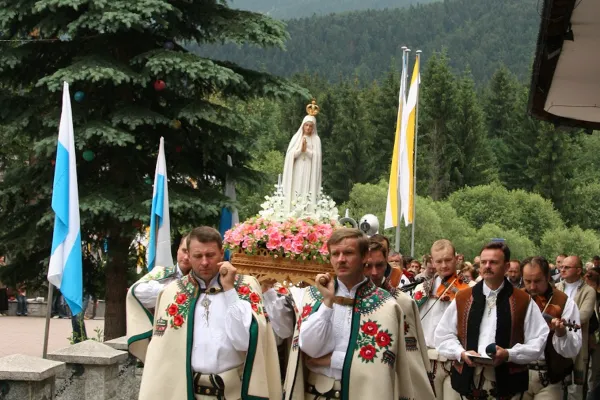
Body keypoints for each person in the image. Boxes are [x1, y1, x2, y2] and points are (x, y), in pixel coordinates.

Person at [138, 226, 281, 400]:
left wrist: (229, 290)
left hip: (234, 393)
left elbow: (245, 343)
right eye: (198, 256)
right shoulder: (173, 293)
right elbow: (162, 354)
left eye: (210, 255)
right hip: (188, 392)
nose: (204, 262)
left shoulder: (246, 286)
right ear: (188, 256)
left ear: (222, 253)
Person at [283, 228, 417, 399]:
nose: (341, 260)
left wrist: (334, 360)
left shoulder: (386, 304)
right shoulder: (312, 296)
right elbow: (309, 348)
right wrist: (327, 303)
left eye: (348, 253)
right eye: (335, 254)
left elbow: (381, 364)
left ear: (364, 257)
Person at [435, 242, 549, 399]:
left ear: (507, 266)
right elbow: (443, 335)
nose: (487, 266)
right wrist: (460, 352)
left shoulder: (523, 300)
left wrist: (509, 354)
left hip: (507, 383)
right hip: (468, 381)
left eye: (493, 262)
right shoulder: (463, 297)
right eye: (483, 262)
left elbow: (539, 341)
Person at [364, 240, 435, 398]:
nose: (374, 272)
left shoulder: (403, 302)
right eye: (368, 266)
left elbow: (413, 358)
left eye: (380, 265)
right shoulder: (346, 300)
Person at [413, 240, 470, 400]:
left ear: (456, 258)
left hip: (454, 360)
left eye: (448, 260)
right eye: (439, 261)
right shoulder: (422, 288)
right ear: (432, 261)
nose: (444, 265)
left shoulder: (470, 288)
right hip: (426, 359)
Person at [521, 257, 582, 400]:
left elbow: (572, 349)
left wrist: (561, 333)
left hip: (550, 376)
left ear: (548, 277)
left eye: (537, 281)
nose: (532, 287)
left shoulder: (564, 302)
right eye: (527, 281)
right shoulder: (516, 298)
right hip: (517, 373)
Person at [126, 234, 192, 362]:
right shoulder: (161, 273)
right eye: (184, 251)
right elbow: (136, 292)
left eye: (191, 254)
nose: (186, 257)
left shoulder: (204, 279)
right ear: (178, 249)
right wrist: (177, 289)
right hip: (163, 342)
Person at [555, 255, 597, 400]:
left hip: (578, 344)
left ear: (579, 270)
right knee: (556, 386)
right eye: (562, 267)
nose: (562, 269)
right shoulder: (556, 287)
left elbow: (583, 316)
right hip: (557, 341)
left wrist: (558, 320)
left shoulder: (588, 291)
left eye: (567, 267)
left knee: (575, 389)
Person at [281, 101, 322, 211]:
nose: (308, 128)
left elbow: (317, 158)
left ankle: (307, 210)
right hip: (297, 168)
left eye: (310, 126)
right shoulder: (296, 137)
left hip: (309, 170)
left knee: (306, 191)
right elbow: (290, 155)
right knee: (296, 189)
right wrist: (300, 150)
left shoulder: (316, 139)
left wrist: (307, 150)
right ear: (303, 125)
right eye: (306, 125)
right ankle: (293, 210)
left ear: (313, 127)